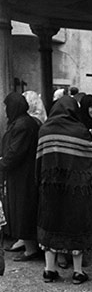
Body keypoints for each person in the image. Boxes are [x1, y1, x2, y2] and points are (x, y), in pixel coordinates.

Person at [36, 95, 92, 284]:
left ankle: (49, 270)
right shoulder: (81, 131)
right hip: (76, 191)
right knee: (76, 226)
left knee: (50, 224)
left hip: (50, 188)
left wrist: (39, 182)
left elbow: (39, 160)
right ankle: (78, 272)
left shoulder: (44, 130)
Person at [0, 92, 40, 260]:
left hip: (24, 176)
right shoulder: (22, 122)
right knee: (21, 210)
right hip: (22, 174)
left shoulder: (23, 125)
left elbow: (15, 152)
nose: (5, 110)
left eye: (7, 106)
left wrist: (2, 163)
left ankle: (31, 249)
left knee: (23, 211)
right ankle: (25, 242)